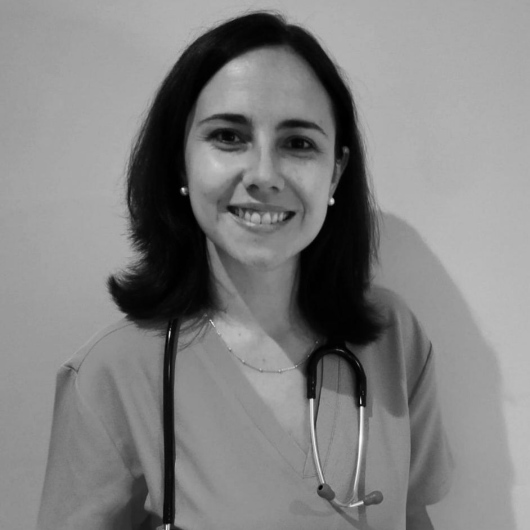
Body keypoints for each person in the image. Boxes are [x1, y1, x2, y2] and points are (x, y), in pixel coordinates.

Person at [37, 11, 453, 530]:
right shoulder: (114, 375)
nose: (263, 175)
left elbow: (413, 515)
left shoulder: (393, 339)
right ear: (180, 162)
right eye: (229, 136)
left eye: (298, 143)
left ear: (335, 172)